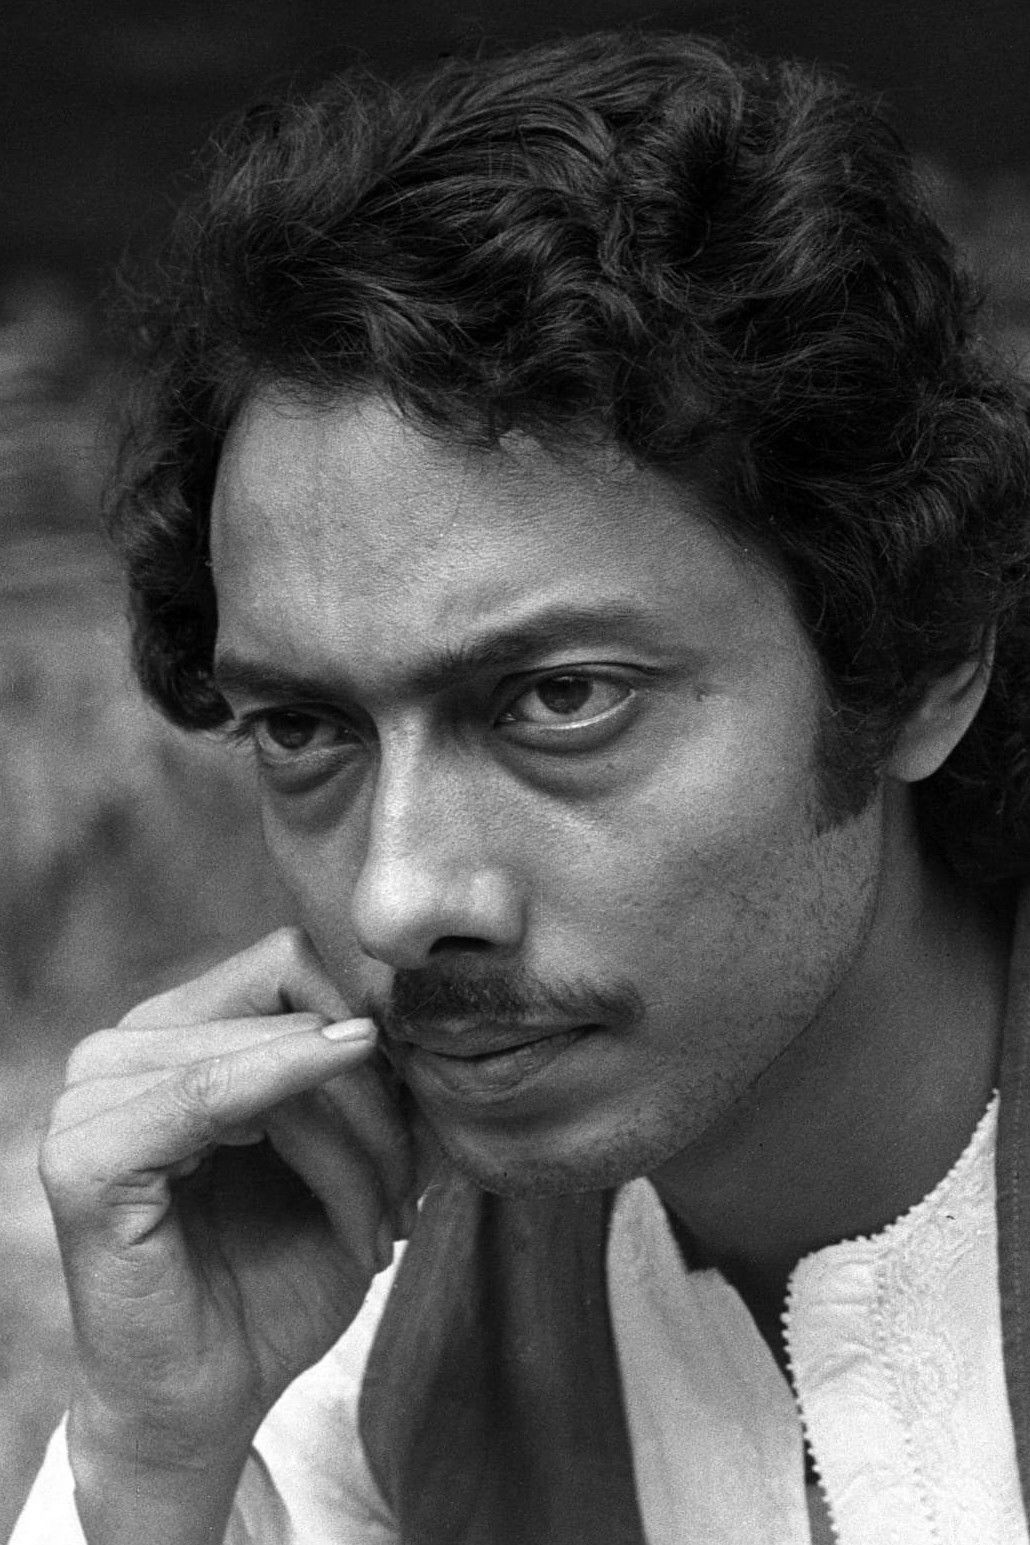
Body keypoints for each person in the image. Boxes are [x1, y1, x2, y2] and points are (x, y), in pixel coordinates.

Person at [12, 28, 1030, 1545]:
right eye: (304, 728)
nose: (398, 897)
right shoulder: (347, 1335)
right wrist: (157, 1462)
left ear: (922, 661)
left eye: (561, 700)